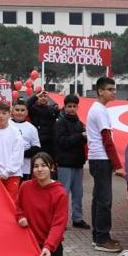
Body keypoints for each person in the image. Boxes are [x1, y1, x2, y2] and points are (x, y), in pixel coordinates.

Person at [14, 153, 68, 256]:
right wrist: (21, 217)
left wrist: (49, 246)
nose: (39, 169)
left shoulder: (60, 193)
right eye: (36, 166)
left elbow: (59, 224)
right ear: (32, 169)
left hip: (49, 244)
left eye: (44, 165)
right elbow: (17, 206)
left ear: (52, 168)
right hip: (29, 243)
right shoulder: (25, 186)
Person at [87, 77, 125, 252]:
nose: (113, 92)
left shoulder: (98, 109)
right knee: (104, 200)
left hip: (98, 159)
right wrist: (117, 165)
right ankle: (102, 239)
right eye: (110, 89)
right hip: (101, 159)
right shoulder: (100, 110)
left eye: (114, 89)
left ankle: (98, 236)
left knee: (98, 199)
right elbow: (107, 140)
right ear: (100, 91)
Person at [54, 94, 90, 229]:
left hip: (78, 163)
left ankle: (77, 218)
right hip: (64, 164)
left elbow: (82, 141)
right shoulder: (60, 122)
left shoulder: (80, 123)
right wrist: (80, 136)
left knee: (78, 194)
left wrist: (86, 136)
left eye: (74, 106)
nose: (72, 109)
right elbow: (62, 141)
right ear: (65, 106)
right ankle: (61, 221)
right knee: (63, 195)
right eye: (69, 106)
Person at [0, 103, 24, 201]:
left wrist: (6, 172)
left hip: (11, 175)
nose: (1, 116)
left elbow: (17, 155)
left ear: (9, 114)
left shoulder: (15, 132)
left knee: (11, 203)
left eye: (4, 113)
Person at [9, 100, 41, 181]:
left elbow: (36, 147)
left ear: (27, 112)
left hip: (24, 168)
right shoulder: (6, 124)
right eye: (17, 110)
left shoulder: (31, 128)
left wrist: (20, 154)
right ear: (12, 111)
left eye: (22, 110)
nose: (19, 112)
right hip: (7, 167)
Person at [26, 90, 60, 155]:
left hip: (50, 142)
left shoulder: (52, 109)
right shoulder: (33, 109)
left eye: (45, 96)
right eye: (40, 96)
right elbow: (27, 104)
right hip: (38, 141)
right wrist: (36, 96)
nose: (43, 98)